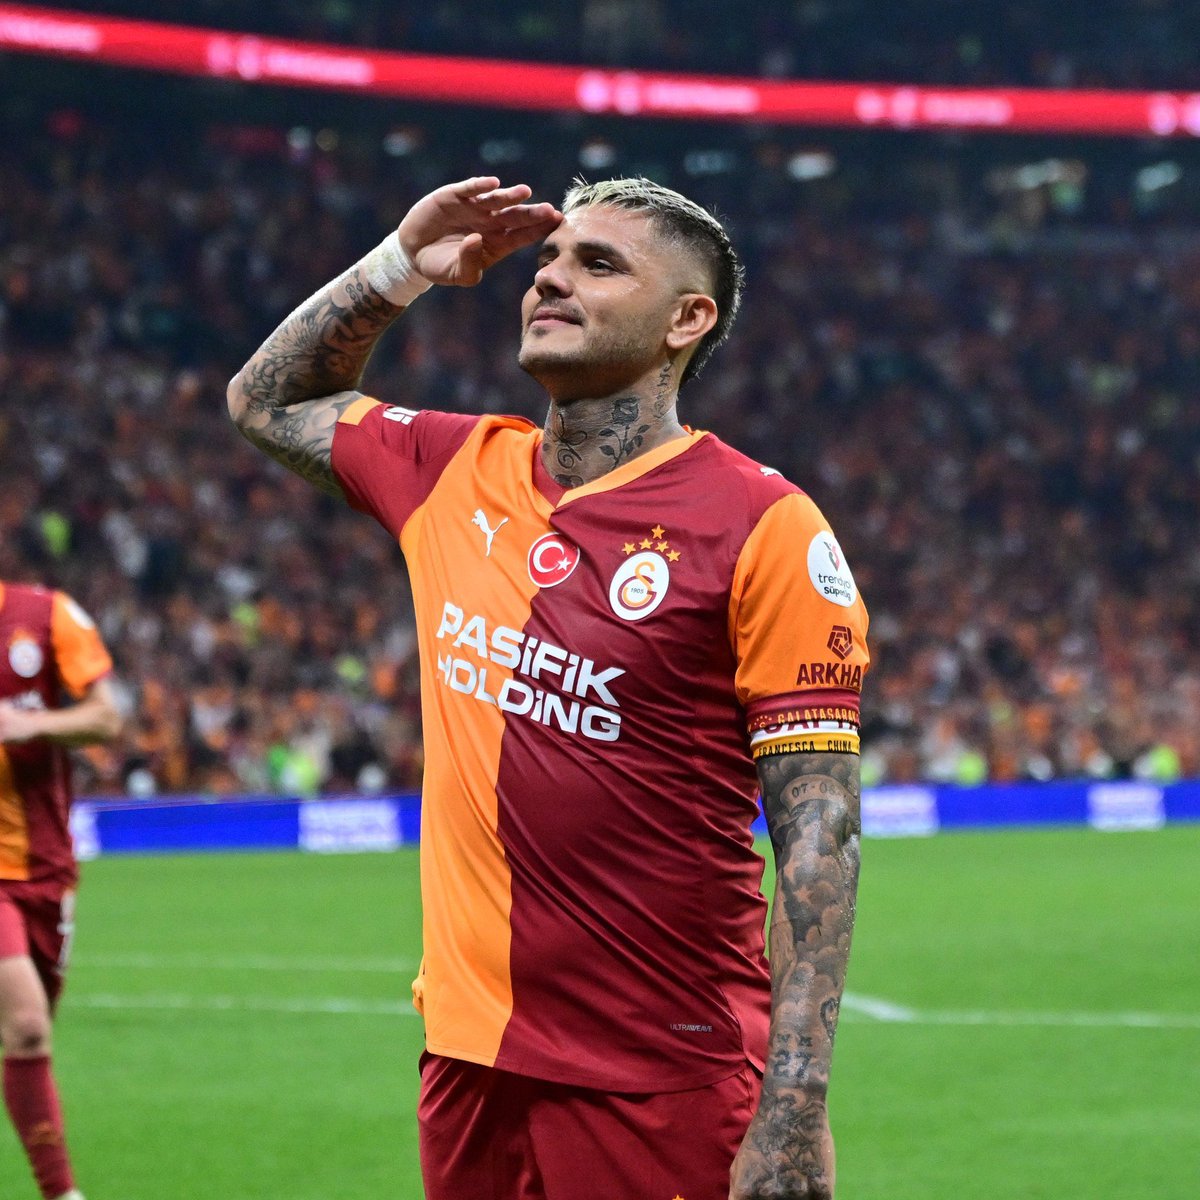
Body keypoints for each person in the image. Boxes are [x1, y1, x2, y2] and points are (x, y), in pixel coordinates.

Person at [228, 174, 869, 1200]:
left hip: (659, 1075)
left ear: (687, 320)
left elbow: (818, 834)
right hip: (468, 1059)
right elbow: (266, 400)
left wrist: (794, 1103)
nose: (552, 280)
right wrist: (398, 266)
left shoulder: (764, 525)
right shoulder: (452, 467)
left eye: (599, 264)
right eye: (548, 261)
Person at [0, 581, 121, 1200]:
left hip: (46, 870)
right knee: (25, 1025)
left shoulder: (46, 616)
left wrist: (29, 724)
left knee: (29, 1029)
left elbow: (106, 717)